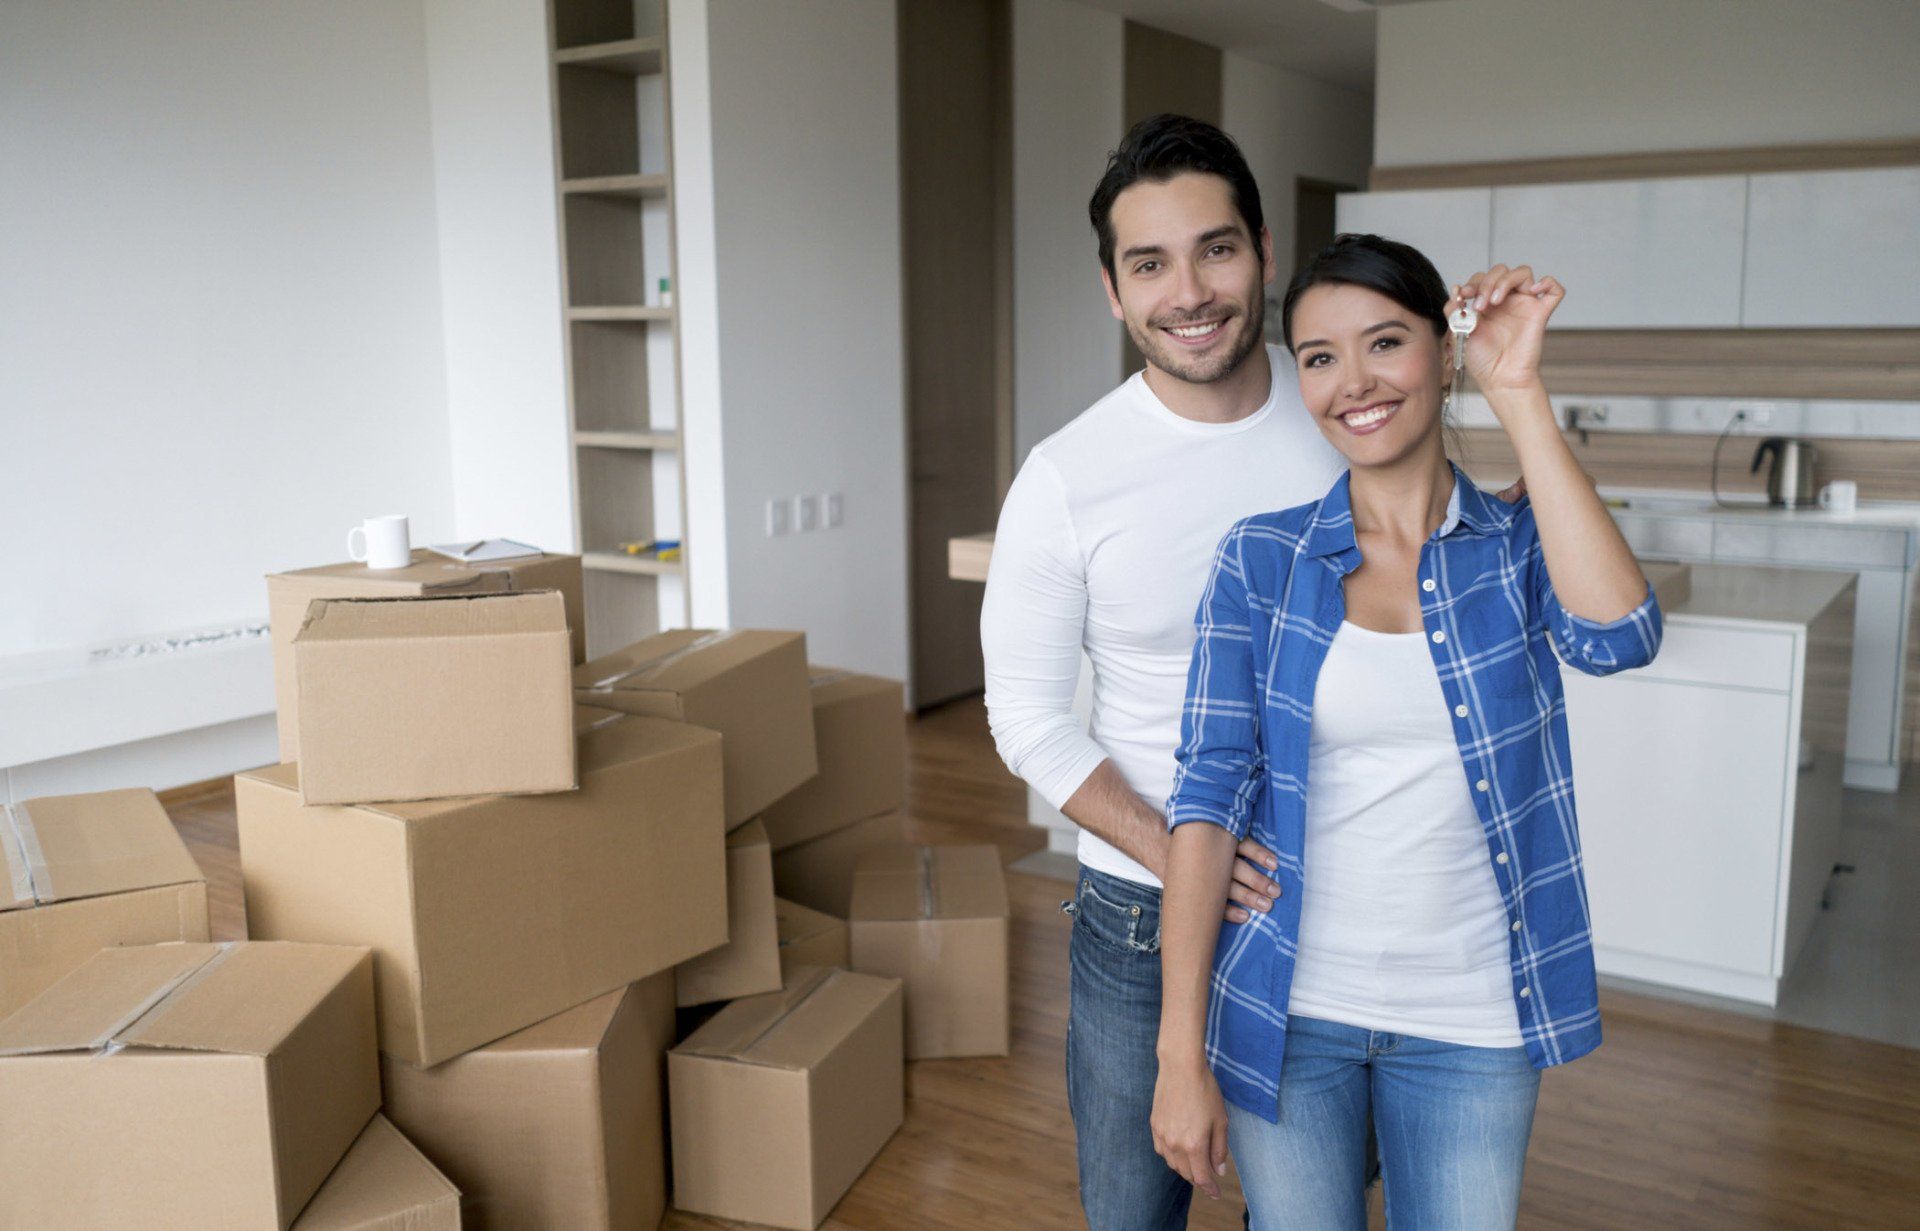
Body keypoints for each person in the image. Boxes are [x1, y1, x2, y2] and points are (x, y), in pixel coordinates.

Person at [1150, 234, 1663, 1230]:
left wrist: (1517, 392)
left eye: (1386, 342)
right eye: (1320, 357)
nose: (1355, 383)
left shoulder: (1517, 546)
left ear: (1444, 346)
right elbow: (1205, 798)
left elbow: (1618, 637)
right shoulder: (1261, 560)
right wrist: (1181, 1052)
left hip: (1473, 1017)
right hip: (1288, 1011)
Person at [984, 112, 1361, 1229]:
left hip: (1340, 897)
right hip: (1140, 917)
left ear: (1265, 251)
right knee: (1133, 1210)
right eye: (1149, 262)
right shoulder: (1066, 478)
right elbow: (1025, 720)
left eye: (1217, 248)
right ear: (1113, 288)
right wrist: (1181, 854)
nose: (1189, 290)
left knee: (1308, 1210)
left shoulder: (1351, 409)